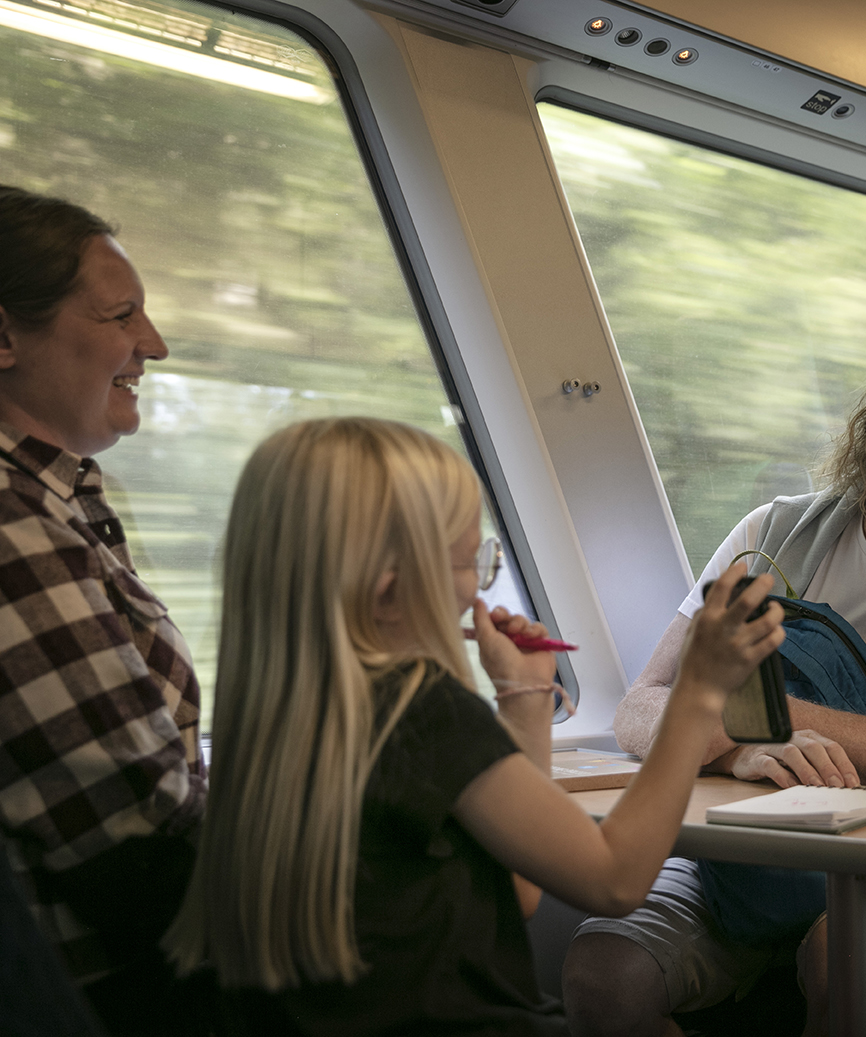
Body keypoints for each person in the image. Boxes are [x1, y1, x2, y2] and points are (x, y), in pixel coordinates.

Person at [161, 417, 784, 1035]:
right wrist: (698, 694)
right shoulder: (424, 714)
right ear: (389, 590)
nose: (480, 590)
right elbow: (616, 878)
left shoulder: (270, 722)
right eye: (472, 563)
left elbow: (519, 892)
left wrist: (523, 700)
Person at [565, 316, 866, 1037]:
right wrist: (740, 751)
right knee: (601, 973)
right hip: (737, 850)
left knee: (841, 962)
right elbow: (640, 707)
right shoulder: (769, 531)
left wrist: (761, 717)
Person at [0, 185, 205, 1034]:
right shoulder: (11, 525)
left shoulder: (63, 497)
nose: (152, 345)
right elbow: (135, 853)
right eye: (122, 316)